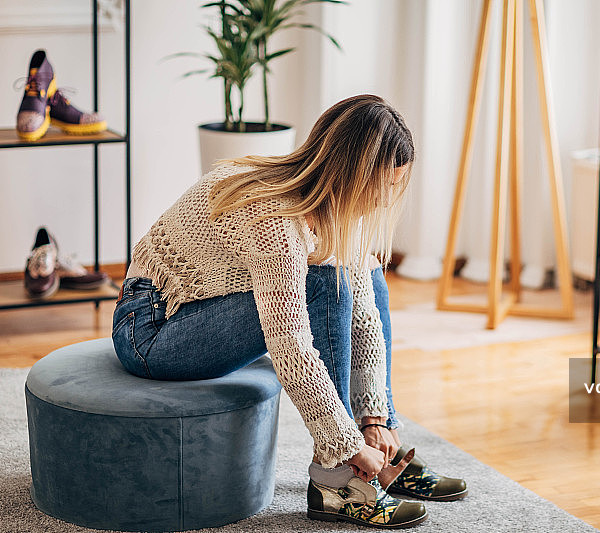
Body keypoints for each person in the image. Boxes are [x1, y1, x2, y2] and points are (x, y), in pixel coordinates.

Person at [111, 94, 466, 529]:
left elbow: (365, 317)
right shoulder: (273, 215)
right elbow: (290, 344)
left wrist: (375, 418)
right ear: (351, 175)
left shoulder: (333, 205)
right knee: (324, 284)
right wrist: (345, 443)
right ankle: (337, 478)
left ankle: (384, 448)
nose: (384, 201)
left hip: (202, 315)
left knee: (369, 279)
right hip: (152, 331)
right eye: (383, 187)